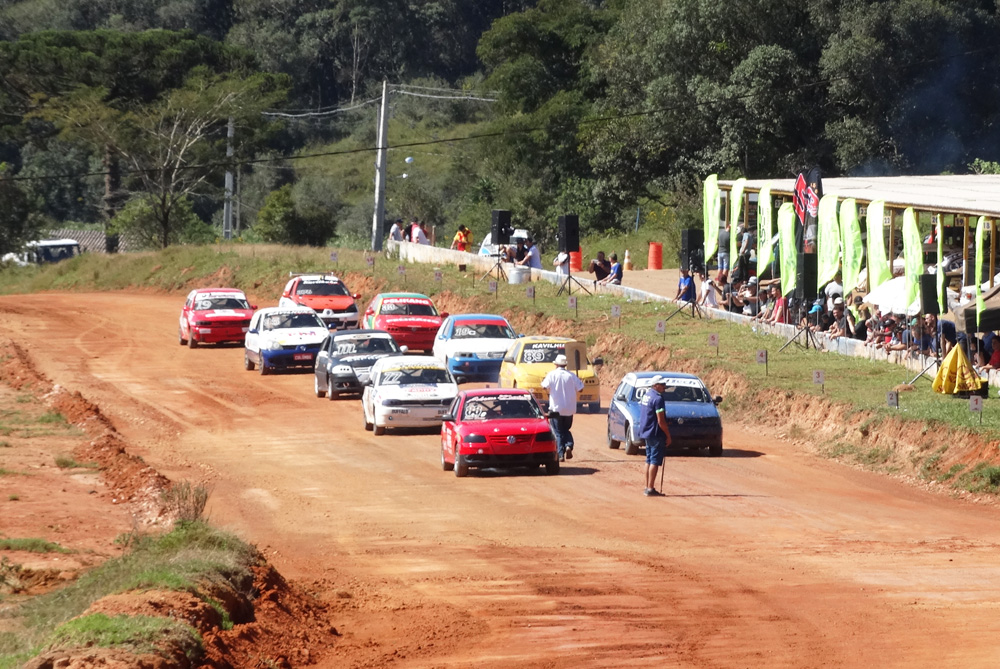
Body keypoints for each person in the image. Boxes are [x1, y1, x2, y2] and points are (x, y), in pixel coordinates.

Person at [540, 354, 584, 461]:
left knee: (558, 432)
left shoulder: (552, 375)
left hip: (556, 409)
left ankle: (560, 454)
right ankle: (568, 445)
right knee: (566, 429)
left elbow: (544, 386)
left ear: (556, 364)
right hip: (569, 409)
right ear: (565, 365)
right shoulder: (571, 375)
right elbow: (581, 389)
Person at [638, 375, 672, 497]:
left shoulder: (647, 395)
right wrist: (668, 436)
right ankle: (650, 488)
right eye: (662, 384)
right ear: (655, 385)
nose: (664, 387)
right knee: (654, 461)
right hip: (656, 433)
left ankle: (647, 486)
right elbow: (660, 421)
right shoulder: (658, 399)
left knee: (648, 459)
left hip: (647, 432)